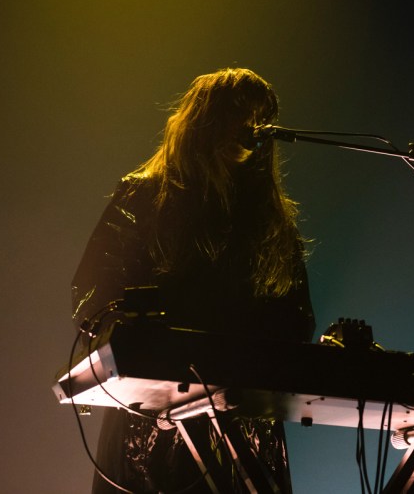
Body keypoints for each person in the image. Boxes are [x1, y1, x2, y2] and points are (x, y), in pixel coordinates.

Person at [71, 68, 316, 493]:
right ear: (206, 121)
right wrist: (146, 342)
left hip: (245, 415)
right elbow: (95, 290)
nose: (251, 127)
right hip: (153, 414)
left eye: (260, 117)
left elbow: (295, 315)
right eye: (239, 113)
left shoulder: (269, 219)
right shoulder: (144, 195)